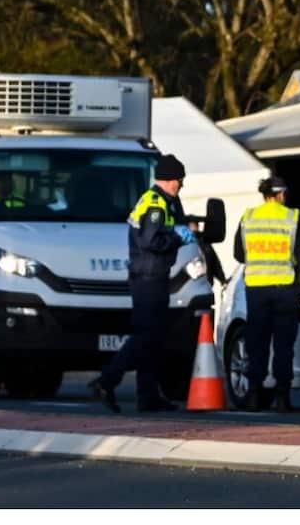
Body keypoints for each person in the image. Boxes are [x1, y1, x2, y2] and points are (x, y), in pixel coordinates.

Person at [89, 153, 195, 413]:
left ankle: (147, 396)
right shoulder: (156, 205)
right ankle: (106, 380)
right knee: (145, 336)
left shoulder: (159, 202)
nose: (180, 185)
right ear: (169, 180)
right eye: (178, 180)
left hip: (150, 277)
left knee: (153, 338)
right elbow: (152, 242)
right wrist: (179, 238)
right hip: (149, 279)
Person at [233, 175, 300, 412]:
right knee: (283, 345)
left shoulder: (248, 218)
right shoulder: (292, 218)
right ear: (281, 194)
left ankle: (254, 394)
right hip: (285, 290)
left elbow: (239, 255)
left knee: (256, 343)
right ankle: (282, 396)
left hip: (256, 291)